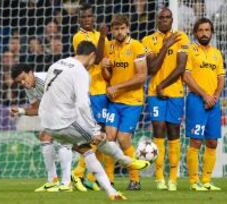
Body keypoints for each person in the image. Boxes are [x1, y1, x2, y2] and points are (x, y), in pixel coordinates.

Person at [39, 41, 149, 201]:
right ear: (92, 56)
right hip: (64, 122)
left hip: (47, 123)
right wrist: (94, 129)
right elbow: (83, 104)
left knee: (87, 151)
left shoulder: (57, 64)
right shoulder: (80, 72)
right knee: (101, 139)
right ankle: (126, 161)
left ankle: (112, 192)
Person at [142, 8, 190, 191]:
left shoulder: (181, 38)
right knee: (159, 129)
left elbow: (181, 67)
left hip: (175, 92)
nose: (164, 20)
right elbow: (152, 68)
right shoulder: (147, 41)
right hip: (155, 94)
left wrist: (163, 85)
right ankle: (160, 177)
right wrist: (165, 46)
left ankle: (173, 178)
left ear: (172, 19)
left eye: (167, 17)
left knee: (174, 131)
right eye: (161, 17)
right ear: (157, 20)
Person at [98, 15, 148, 191]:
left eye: (122, 28)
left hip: (132, 102)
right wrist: (104, 67)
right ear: (111, 30)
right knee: (109, 139)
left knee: (123, 139)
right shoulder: (109, 47)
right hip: (114, 101)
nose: (119, 32)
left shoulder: (136, 46)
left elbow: (141, 77)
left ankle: (135, 179)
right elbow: (107, 77)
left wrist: (117, 87)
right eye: (115, 29)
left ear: (127, 28)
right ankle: (109, 180)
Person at [71, 3, 114, 191]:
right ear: (79, 19)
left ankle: (91, 177)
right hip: (91, 90)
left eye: (90, 16)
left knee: (103, 134)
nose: (87, 20)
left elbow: (103, 60)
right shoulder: (79, 37)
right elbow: (95, 59)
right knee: (97, 134)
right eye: (84, 17)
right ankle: (78, 173)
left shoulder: (98, 35)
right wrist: (104, 36)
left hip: (103, 89)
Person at [10, 64, 73, 192]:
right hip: (59, 111)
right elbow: (36, 109)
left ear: (31, 72)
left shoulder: (46, 80)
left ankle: (67, 183)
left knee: (64, 140)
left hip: (71, 107)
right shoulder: (29, 87)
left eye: (24, 78)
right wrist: (21, 111)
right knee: (45, 137)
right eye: (19, 82)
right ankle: (53, 181)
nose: (23, 83)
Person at [184, 18, 225, 191]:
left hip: (213, 103)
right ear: (195, 33)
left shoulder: (217, 53)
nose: (204, 33)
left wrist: (214, 96)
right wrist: (205, 95)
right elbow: (186, 77)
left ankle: (206, 180)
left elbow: (221, 78)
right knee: (195, 141)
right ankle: (194, 182)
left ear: (211, 32)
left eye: (207, 30)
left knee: (213, 142)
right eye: (200, 30)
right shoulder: (190, 51)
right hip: (196, 100)